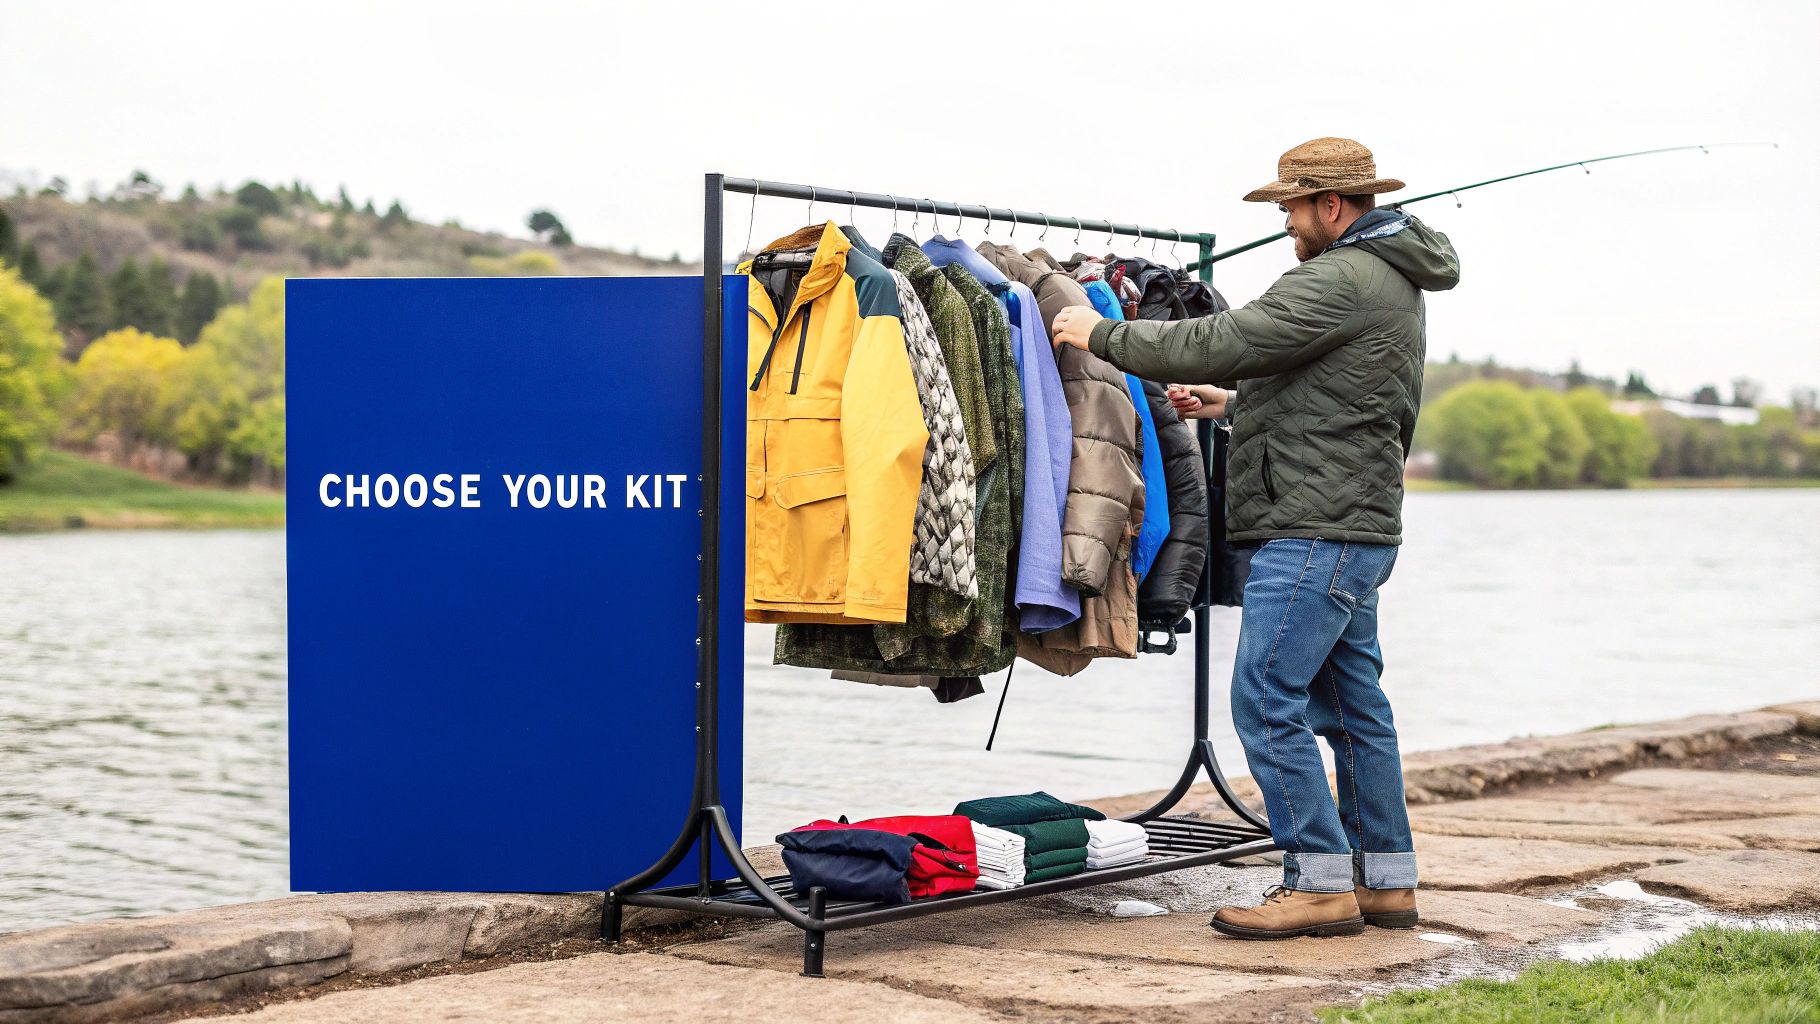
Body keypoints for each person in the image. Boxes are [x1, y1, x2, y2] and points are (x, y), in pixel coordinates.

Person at [1050, 137, 1460, 940]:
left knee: (1265, 700)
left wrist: (1098, 332)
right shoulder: (1388, 279)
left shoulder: (1341, 275)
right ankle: (1383, 882)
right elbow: (1328, 395)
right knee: (1351, 710)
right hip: (1350, 525)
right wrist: (1227, 405)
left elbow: (1223, 339)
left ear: (1330, 206)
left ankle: (1317, 883)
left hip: (1316, 530)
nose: (1286, 224)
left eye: (1290, 209)